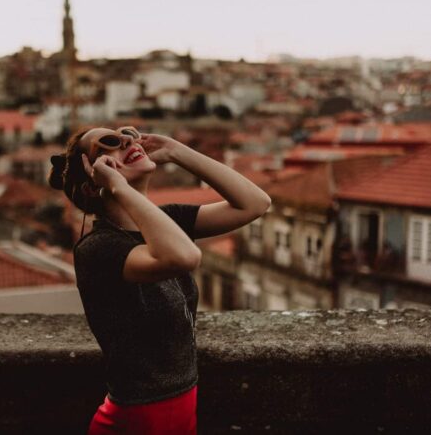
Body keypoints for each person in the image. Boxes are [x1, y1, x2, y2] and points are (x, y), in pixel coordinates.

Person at [48, 125, 271, 435]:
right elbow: (185, 257)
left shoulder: (165, 222)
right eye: (109, 144)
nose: (127, 139)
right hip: (138, 419)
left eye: (127, 133)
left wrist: (177, 151)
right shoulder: (98, 249)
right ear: (93, 182)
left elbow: (256, 203)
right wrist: (117, 188)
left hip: (179, 409)